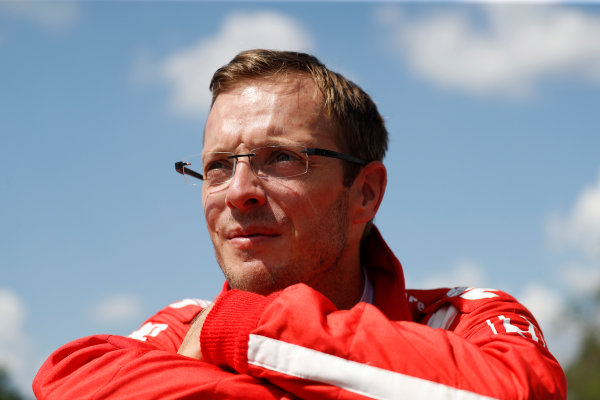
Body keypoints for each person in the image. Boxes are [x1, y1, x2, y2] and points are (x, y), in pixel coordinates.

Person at [33, 49, 566, 399]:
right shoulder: (180, 323)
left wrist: (237, 330)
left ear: (366, 193)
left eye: (281, 158)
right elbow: (65, 381)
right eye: (218, 166)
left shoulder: (464, 316)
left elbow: (523, 391)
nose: (238, 192)